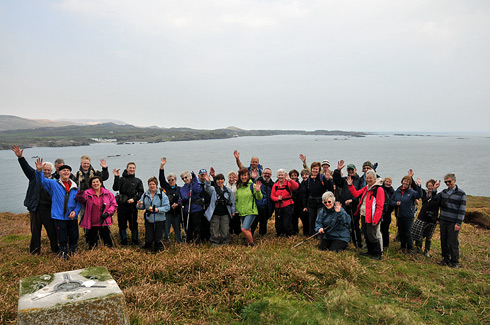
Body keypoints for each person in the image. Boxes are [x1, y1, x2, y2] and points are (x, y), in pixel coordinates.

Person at [11, 145, 58, 255]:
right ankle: (35, 251)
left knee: (52, 231)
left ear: (51, 171)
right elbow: (25, 167)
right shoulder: (34, 175)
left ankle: (55, 249)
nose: (46, 172)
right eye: (44, 169)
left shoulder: (54, 182)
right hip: (35, 208)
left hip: (48, 210)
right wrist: (20, 157)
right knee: (35, 232)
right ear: (41, 169)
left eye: (48, 170)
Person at [35, 158, 82, 259]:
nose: (66, 172)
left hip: (72, 217)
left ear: (70, 173)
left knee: (74, 236)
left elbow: (79, 202)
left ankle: (74, 252)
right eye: (63, 170)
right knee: (62, 237)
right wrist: (39, 171)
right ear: (59, 172)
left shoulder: (75, 187)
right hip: (59, 216)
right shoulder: (53, 184)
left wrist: (75, 211)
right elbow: (41, 181)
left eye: (68, 170)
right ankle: (63, 253)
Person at [347, 170, 385, 260]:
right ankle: (370, 251)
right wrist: (350, 185)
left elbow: (380, 206)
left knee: (372, 235)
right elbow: (356, 194)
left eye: (370, 178)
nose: (368, 180)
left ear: (375, 179)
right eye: (367, 178)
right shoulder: (366, 187)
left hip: (372, 216)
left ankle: (377, 254)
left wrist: (375, 219)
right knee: (366, 234)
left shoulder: (379, 189)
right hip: (364, 215)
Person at [76, 176, 117, 249]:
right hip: (92, 221)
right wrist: (81, 191)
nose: (95, 184)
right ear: (91, 184)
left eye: (97, 182)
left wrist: (108, 213)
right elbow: (80, 199)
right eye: (93, 182)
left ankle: (110, 250)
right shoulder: (87, 193)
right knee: (92, 241)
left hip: (104, 220)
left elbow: (114, 205)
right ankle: (92, 252)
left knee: (107, 239)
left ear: (101, 183)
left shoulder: (108, 193)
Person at [436, 173, 466, 268]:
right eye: (446, 182)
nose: (448, 183)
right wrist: (434, 189)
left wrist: (459, 223)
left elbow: (462, 210)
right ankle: (445, 259)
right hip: (443, 220)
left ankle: (455, 262)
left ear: (454, 181)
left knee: (452, 242)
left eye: (449, 181)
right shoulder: (443, 192)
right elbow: (435, 199)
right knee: (443, 241)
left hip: (453, 222)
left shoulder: (461, 194)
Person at [112, 162, 144, 245]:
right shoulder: (121, 179)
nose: (132, 169)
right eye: (130, 167)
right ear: (127, 169)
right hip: (122, 205)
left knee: (133, 224)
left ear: (135, 169)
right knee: (122, 224)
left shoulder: (138, 181)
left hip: (132, 206)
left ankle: (135, 241)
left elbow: (141, 192)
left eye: (133, 168)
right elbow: (115, 188)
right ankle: (124, 241)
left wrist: (134, 199)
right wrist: (116, 176)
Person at [390, 174, 423, 252]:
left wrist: (419, 186)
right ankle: (403, 247)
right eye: (404, 181)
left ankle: (410, 248)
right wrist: (395, 203)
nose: (405, 183)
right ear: (402, 181)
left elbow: (419, 195)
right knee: (401, 231)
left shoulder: (411, 192)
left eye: (407, 181)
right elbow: (391, 201)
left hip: (408, 216)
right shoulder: (397, 191)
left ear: (409, 183)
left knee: (408, 232)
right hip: (399, 215)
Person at [333, 160, 362, 248]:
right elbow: (337, 180)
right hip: (344, 206)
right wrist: (337, 170)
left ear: (356, 170)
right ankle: (345, 242)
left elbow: (360, 193)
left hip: (354, 207)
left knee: (355, 226)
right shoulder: (345, 180)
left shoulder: (359, 180)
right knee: (344, 224)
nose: (350, 171)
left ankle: (358, 244)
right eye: (349, 170)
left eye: (352, 170)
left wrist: (352, 200)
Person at [137, 177, 171, 252]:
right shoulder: (145, 194)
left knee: (158, 236)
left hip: (159, 219)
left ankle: (158, 247)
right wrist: (139, 205)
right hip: (149, 218)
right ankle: (148, 245)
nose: (152, 186)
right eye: (150, 184)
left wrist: (158, 210)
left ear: (156, 185)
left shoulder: (162, 195)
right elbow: (142, 206)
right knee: (149, 235)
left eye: (153, 184)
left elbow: (167, 207)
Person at [204, 173, 236, 246]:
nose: (220, 181)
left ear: (224, 180)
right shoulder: (213, 189)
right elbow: (207, 189)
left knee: (225, 229)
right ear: (216, 181)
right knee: (214, 228)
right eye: (218, 179)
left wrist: (233, 211)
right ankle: (215, 242)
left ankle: (225, 241)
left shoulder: (228, 190)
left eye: (221, 179)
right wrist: (208, 182)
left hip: (225, 213)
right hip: (215, 213)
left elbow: (232, 201)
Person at [303, 162, 334, 236]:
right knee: (311, 219)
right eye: (314, 169)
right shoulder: (308, 179)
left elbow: (329, 189)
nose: (315, 170)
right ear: (311, 169)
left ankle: (320, 234)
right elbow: (305, 193)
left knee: (319, 219)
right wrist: (304, 206)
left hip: (320, 202)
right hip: (311, 202)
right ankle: (312, 235)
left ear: (319, 170)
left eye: (316, 169)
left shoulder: (322, 178)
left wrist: (328, 179)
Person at [235, 168, 263, 247]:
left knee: (244, 229)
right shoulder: (239, 187)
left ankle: (251, 245)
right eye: (242, 175)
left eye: (245, 175)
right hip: (242, 212)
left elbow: (259, 197)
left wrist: (258, 191)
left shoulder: (252, 185)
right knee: (248, 229)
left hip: (251, 211)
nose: (243, 177)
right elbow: (237, 199)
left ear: (248, 176)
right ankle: (248, 243)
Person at [412, 179, 439, 257]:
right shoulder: (424, 193)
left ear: (435, 186)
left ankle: (427, 251)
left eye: (431, 186)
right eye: (428, 186)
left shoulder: (438, 195)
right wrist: (414, 180)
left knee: (429, 236)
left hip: (432, 219)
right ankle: (418, 248)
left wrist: (438, 219)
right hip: (422, 217)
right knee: (418, 234)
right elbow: (416, 188)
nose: (430, 187)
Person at [159, 157, 183, 243]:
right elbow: (161, 178)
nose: (171, 181)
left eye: (172, 180)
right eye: (169, 180)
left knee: (177, 228)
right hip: (168, 212)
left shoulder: (180, 189)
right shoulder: (166, 187)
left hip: (176, 212)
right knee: (166, 228)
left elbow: (182, 199)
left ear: (175, 180)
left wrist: (177, 204)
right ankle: (165, 240)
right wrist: (162, 166)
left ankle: (179, 241)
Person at [270, 169, 299, 237]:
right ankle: (279, 235)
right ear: (277, 176)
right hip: (278, 206)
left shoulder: (288, 183)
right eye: (279, 175)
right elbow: (272, 196)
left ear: (284, 176)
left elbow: (296, 186)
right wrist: (277, 199)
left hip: (288, 205)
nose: (280, 177)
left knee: (287, 221)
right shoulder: (275, 185)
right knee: (278, 222)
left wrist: (290, 180)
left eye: (282, 175)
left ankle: (288, 235)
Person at [179, 171, 203, 243]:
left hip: (195, 209)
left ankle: (197, 241)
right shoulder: (182, 188)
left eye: (186, 177)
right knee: (188, 227)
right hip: (187, 209)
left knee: (196, 227)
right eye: (183, 178)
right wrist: (180, 201)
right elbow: (181, 197)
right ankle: (189, 240)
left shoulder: (194, 185)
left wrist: (195, 180)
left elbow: (197, 190)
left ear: (189, 177)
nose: (185, 179)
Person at [250, 168, 274, 236]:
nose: (267, 175)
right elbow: (250, 186)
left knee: (264, 223)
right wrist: (252, 178)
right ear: (262, 174)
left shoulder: (272, 184)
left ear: (271, 175)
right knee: (254, 223)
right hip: (257, 207)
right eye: (265, 173)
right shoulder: (257, 182)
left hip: (267, 208)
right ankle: (250, 236)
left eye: (268, 174)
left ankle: (262, 236)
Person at [380, 177, 395, 249]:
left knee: (385, 230)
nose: (388, 183)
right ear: (384, 182)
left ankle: (385, 245)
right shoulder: (380, 189)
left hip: (387, 213)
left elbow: (393, 203)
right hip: (379, 212)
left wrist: (389, 211)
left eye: (389, 182)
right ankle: (379, 243)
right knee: (379, 229)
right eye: (387, 181)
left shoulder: (392, 192)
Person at [198, 169, 212, 243]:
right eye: (202, 175)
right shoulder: (196, 185)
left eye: (205, 175)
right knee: (200, 224)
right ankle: (201, 239)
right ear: (198, 176)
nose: (203, 177)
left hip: (208, 207)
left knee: (208, 224)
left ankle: (208, 239)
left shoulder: (210, 184)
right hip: (199, 207)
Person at [226, 171, 241, 235]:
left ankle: (237, 234)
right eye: (230, 177)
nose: (231, 178)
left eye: (233, 177)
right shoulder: (226, 185)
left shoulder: (238, 185)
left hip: (237, 206)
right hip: (228, 207)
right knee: (230, 222)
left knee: (237, 222)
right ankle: (230, 234)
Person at [288, 169, 301, 235]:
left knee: (295, 218)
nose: (293, 177)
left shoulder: (299, 184)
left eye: (295, 175)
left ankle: (296, 232)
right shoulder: (287, 184)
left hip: (297, 204)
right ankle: (290, 231)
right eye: (292, 175)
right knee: (289, 218)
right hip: (289, 203)